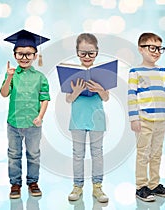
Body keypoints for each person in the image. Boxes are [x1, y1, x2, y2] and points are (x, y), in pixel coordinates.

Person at [128, 32, 165, 202]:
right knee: (143, 153)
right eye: (153, 48)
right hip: (144, 120)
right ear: (141, 49)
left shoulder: (163, 71)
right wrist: (134, 118)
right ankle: (141, 186)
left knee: (156, 153)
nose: (157, 52)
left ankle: (154, 184)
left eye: (160, 48)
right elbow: (131, 96)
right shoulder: (135, 71)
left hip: (161, 120)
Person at [0, 29, 50, 199]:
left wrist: (40, 117)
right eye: (20, 54)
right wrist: (8, 77)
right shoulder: (12, 75)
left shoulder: (41, 77)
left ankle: (33, 182)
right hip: (13, 123)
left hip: (33, 124)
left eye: (29, 54)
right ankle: (15, 184)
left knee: (33, 154)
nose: (24, 57)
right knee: (14, 154)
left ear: (35, 56)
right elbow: (4, 93)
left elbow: (45, 99)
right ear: (15, 55)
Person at [66, 33, 109, 203]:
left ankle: (97, 187)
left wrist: (99, 89)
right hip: (77, 120)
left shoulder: (102, 74)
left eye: (91, 53)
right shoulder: (72, 74)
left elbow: (106, 98)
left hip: (97, 120)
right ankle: (77, 186)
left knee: (97, 154)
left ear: (97, 53)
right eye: (83, 53)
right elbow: (68, 99)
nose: (87, 57)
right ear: (77, 53)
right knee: (78, 154)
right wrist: (76, 91)